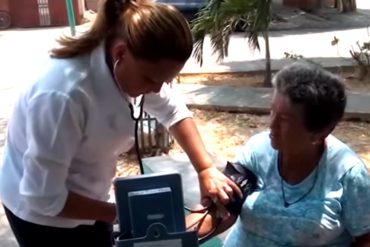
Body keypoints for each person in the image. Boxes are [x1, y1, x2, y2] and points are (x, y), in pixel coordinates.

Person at [0, 0, 241, 246]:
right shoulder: (62, 96)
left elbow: (173, 110)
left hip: (87, 192)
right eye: (151, 79)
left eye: (166, 80)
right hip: (41, 218)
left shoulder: (132, 64)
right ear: (120, 54)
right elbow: (42, 197)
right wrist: (124, 214)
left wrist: (205, 169)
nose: (157, 89)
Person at [188, 61, 370, 246]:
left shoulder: (349, 176)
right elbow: (223, 208)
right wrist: (178, 236)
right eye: (272, 111)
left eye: (284, 120)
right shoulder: (257, 150)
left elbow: (366, 239)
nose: (272, 125)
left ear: (319, 133)